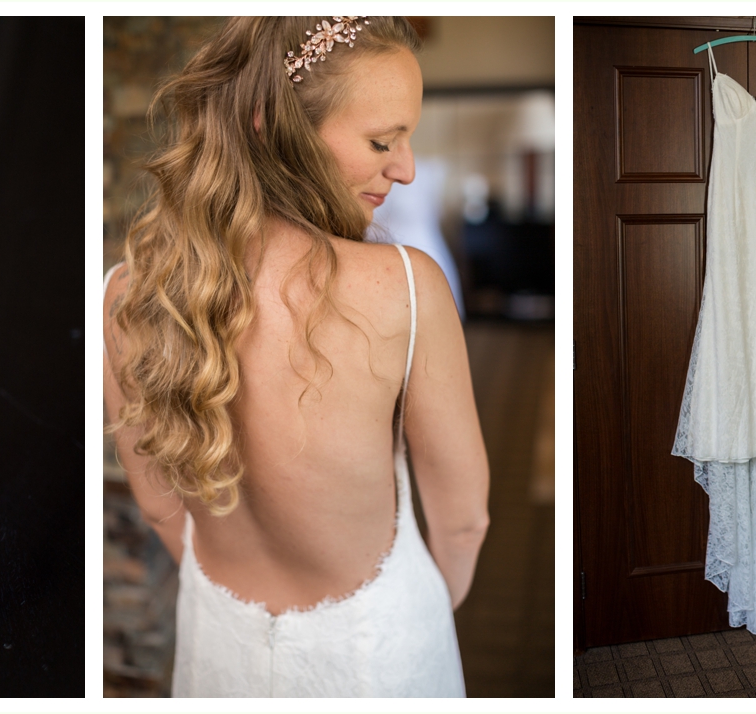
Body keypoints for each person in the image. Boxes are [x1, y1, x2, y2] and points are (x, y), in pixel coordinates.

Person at [102, 16, 490, 697]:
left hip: (214, 639)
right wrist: (426, 608)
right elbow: (462, 521)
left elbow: (162, 510)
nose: (405, 168)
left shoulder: (124, 296)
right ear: (273, 126)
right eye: (382, 140)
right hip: (379, 652)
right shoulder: (405, 286)